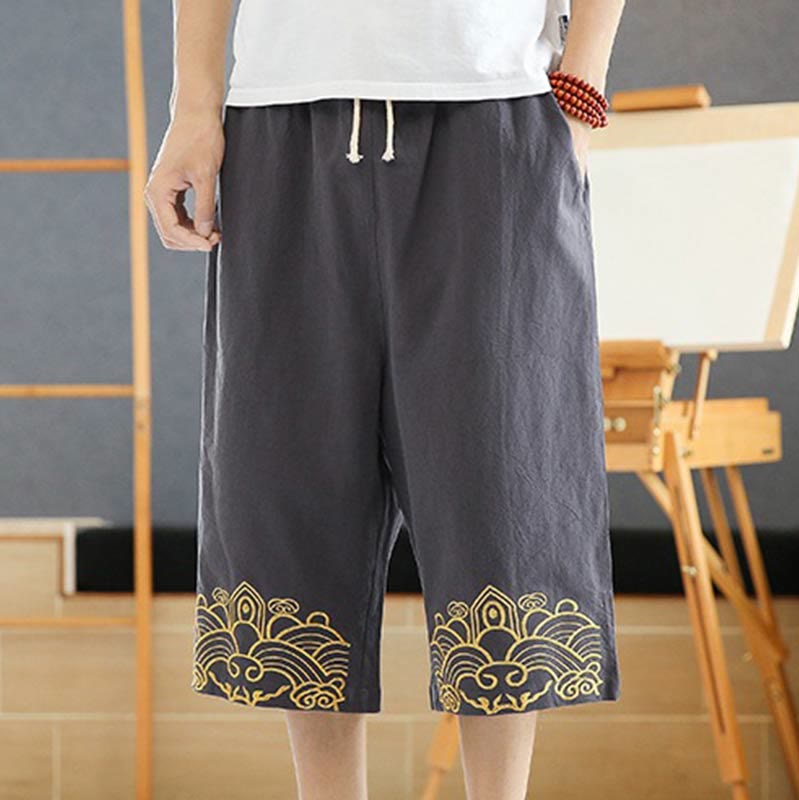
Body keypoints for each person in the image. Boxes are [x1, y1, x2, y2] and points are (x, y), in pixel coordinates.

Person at [146, 1, 626, 797]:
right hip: (282, 117)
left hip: (492, 113)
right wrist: (193, 108)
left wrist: (582, 87)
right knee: (290, 482)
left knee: (502, 490)